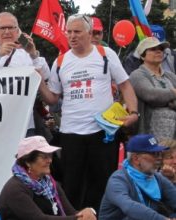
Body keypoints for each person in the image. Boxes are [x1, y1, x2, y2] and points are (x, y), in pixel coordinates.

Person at [38, 14, 139, 211]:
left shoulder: (105, 54)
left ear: (90, 33)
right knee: (72, 186)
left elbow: (125, 85)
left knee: (102, 185)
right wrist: (40, 82)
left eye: (77, 31)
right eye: (69, 32)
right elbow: (52, 98)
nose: (72, 36)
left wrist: (134, 113)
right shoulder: (60, 61)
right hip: (71, 134)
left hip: (103, 132)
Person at [0, 12, 51, 138]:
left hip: (24, 124)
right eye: (2, 28)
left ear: (18, 30)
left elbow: (46, 76)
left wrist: (33, 53)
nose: (7, 32)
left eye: (11, 28)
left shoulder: (26, 53)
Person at [0, 136, 96, 220]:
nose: (49, 160)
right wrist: (78, 218)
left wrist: (86, 213)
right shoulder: (15, 189)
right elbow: (39, 219)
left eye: (50, 156)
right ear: (28, 162)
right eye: (44, 157)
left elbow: (71, 212)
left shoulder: (50, 183)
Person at [99, 134, 176, 219]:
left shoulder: (157, 177)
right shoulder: (118, 179)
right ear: (136, 159)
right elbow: (129, 207)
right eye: (154, 154)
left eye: (160, 154)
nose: (159, 158)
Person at [130, 37, 176, 140]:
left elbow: (158, 98)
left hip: (172, 139)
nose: (159, 51)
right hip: (149, 139)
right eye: (153, 49)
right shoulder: (137, 75)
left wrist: (165, 99)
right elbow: (151, 95)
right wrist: (173, 93)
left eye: (160, 48)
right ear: (142, 55)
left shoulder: (171, 76)